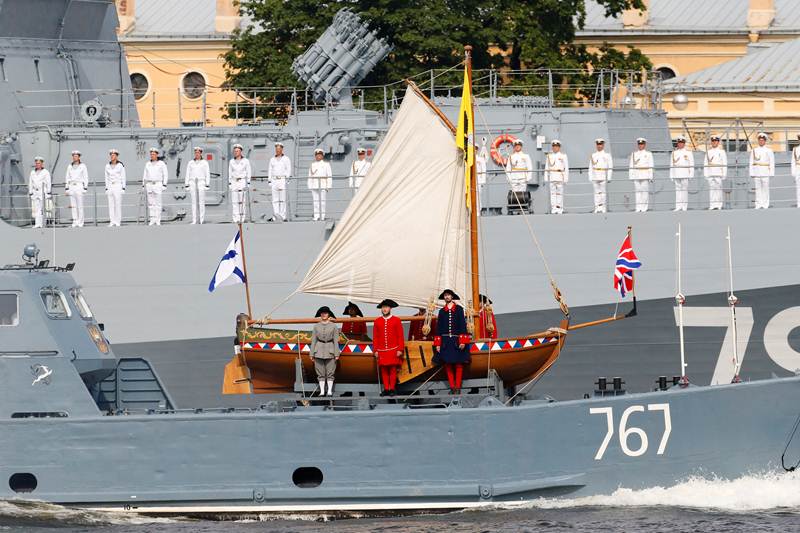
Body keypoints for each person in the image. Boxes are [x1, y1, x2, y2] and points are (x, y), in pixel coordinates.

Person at [433, 289, 471, 394]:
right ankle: (452, 386)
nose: (447, 297)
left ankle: (458, 387)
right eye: (445, 295)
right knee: (448, 364)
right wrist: (438, 344)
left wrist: (462, 341)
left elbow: (463, 326)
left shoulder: (459, 309)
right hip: (445, 342)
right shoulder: (441, 311)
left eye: (448, 295)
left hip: (456, 340)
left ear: (452, 297)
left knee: (459, 364)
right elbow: (438, 329)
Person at [373, 298, 404, 396]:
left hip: (393, 349)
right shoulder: (377, 321)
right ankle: (386, 388)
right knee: (384, 370)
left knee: (393, 369)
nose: (384, 309)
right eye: (383, 307)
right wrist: (375, 350)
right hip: (382, 350)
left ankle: (392, 388)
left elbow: (400, 336)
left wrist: (400, 349)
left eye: (386, 307)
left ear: (390, 308)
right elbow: (375, 337)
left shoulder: (396, 320)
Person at [310, 306, 340, 397]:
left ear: (328, 314)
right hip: (318, 351)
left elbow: (336, 340)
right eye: (322, 313)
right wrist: (311, 353)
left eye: (325, 313)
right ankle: (322, 391)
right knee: (320, 372)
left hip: (330, 350)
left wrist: (336, 353)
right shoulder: (316, 326)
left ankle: (329, 391)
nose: (324, 314)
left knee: (330, 372)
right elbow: (313, 340)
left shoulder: (334, 326)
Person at [142, 147, 168, 226]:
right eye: (151, 154)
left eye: (153, 154)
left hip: (158, 184)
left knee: (158, 203)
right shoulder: (148, 164)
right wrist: (144, 185)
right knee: (151, 204)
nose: (152, 155)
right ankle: (152, 219)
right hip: (149, 184)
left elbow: (165, 174)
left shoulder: (161, 163)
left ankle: (158, 220)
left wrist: (164, 184)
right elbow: (145, 175)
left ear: (157, 155)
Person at [185, 146, 210, 224]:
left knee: (201, 202)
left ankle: (201, 220)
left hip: (201, 182)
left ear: (201, 153)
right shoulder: (190, 163)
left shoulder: (205, 162)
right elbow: (187, 173)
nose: (197, 154)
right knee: (194, 202)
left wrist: (207, 184)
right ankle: (194, 220)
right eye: (195, 152)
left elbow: (207, 173)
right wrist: (186, 184)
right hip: (192, 182)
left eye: (198, 152)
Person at [749, 132, 774, 210]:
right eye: (760, 140)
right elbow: (751, 162)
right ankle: (758, 204)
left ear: (765, 141)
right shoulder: (754, 150)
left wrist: (771, 173)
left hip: (765, 172)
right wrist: (752, 172)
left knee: (765, 189)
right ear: (758, 141)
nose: (761, 142)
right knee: (758, 189)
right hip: (757, 172)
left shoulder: (769, 150)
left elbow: (772, 162)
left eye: (762, 140)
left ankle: (765, 204)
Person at [629, 137, 654, 213]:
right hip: (636, 174)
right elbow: (631, 165)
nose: (640, 145)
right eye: (639, 144)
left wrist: (650, 176)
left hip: (645, 174)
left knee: (645, 192)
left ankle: (644, 207)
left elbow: (651, 165)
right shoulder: (634, 154)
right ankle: (638, 207)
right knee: (637, 192)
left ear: (645, 144)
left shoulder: (648, 154)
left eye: (642, 144)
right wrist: (631, 176)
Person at [268, 141, 291, 221]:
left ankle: (283, 216)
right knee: (275, 199)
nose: (277, 150)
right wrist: (269, 180)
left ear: (282, 149)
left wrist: (287, 179)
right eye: (276, 149)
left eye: (279, 149)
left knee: (282, 199)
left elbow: (288, 169)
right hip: (274, 180)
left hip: (282, 180)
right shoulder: (272, 159)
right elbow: (270, 170)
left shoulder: (286, 159)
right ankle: (276, 216)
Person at [670, 136, 694, 212]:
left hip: (685, 173)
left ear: (684, 143)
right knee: (678, 191)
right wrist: (671, 175)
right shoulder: (674, 153)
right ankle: (678, 206)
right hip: (676, 173)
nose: (680, 144)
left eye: (681, 143)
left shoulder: (688, 153)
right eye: (679, 143)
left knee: (684, 190)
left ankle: (684, 206)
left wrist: (691, 175)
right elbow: (671, 164)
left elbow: (691, 164)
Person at [64, 150, 88, 227]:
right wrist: (67, 188)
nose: (75, 157)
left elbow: (85, 177)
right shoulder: (69, 166)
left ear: (79, 157)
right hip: (71, 186)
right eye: (74, 156)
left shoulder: (83, 166)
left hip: (79, 186)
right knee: (73, 205)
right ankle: (75, 221)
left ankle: (81, 222)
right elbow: (67, 177)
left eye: (76, 156)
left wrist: (85, 188)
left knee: (80, 205)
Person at [228, 143, 251, 223]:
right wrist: (230, 183)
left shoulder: (245, 161)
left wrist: (248, 183)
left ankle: (242, 218)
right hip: (234, 181)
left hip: (242, 181)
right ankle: (235, 218)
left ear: (241, 151)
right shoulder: (231, 161)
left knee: (242, 201)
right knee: (234, 201)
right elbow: (230, 172)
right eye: (235, 151)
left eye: (237, 151)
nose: (236, 152)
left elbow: (248, 172)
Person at [544, 139, 569, 214]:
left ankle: (559, 207)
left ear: (559, 147)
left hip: (560, 176)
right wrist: (546, 177)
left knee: (559, 193)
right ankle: (554, 208)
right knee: (552, 194)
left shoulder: (563, 156)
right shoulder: (549, 156)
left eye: (556, 146)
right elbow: (547, 167)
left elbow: (566, 168)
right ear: (552, 147)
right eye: (554, 146)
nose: (555, 148)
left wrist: (566, 179)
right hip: (552, 176)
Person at [589, 138, 613, 213]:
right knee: (596, 193)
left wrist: (609, 177)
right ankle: (597, 207)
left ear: (603, 145)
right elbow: (590, 167)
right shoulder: (593, 155)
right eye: (598, 144)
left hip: (603, 175)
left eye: (601, 144)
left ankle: (603, 207)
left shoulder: (607, 155)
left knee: (603, 193)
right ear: (596, 145)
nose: (599, 146)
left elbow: (610, 167)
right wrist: (590, 177)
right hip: (595, 176)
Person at [704, 135, 727, 210]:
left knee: (718, 190)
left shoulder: (722, 152)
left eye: (715, 141)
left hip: (718, 173)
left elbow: (724, 163)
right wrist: (706, 174)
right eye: (713, 141)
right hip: (710, 173)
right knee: (712, 190)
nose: (714, 142)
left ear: (718, 142)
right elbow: (705, 164)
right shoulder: (708, 152)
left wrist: (724, 174)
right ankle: (712, 204)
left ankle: (719, 204)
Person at [308, 148, 332, 220]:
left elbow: (329, 176)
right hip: (314, 185)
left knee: (322, 202)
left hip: (323, 185)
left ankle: (322, 216)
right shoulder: (312, 165)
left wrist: (328, 187)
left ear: (322, 156)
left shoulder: (326, 164)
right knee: (315, 202)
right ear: (315, 156)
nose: (318, 156)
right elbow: (310, 176)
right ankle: (316, 216)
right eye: (317, 155)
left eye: (319, 155)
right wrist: (310, 186)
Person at [28, 156, 51, 229]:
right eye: (36, 163)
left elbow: (48, 182)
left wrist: (48, 192)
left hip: (42, 191)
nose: (37, 164)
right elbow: (30, 183)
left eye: (39, 163)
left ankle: (42, 223)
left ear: (42, 164)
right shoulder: (32, 172)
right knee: (36, 208)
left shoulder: (45, 172)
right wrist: (30, 192)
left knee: (42, 209)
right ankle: (37, 223)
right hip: (35, 192)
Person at [105, 149, 126, 227]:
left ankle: (117, 221)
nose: (112, 156)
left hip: (118, 185)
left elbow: (123, 177)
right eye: (111, 155)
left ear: (117, 156)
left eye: (113, 155)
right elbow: (106, 177)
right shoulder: (107, 166)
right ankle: (112, 221)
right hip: (110, 186)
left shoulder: (120, 165)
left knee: (117, 204)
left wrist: (123, 188)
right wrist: (106, 188)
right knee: (111, 205)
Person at [476, 140, 488, 214]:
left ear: (477, 150)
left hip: (478, 179)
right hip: (469, 179)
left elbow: (484, 170)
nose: (474, 150)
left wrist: (483, 181)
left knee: (478, 195)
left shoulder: (481, 159)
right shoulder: (468, 159)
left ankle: (478, 210)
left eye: (476, 148)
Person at [792, 133, 800, 208]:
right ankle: (799, 203)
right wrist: (793, 173)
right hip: (798, 169)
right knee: (798, 187)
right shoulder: (795, 149)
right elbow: (793, 161)